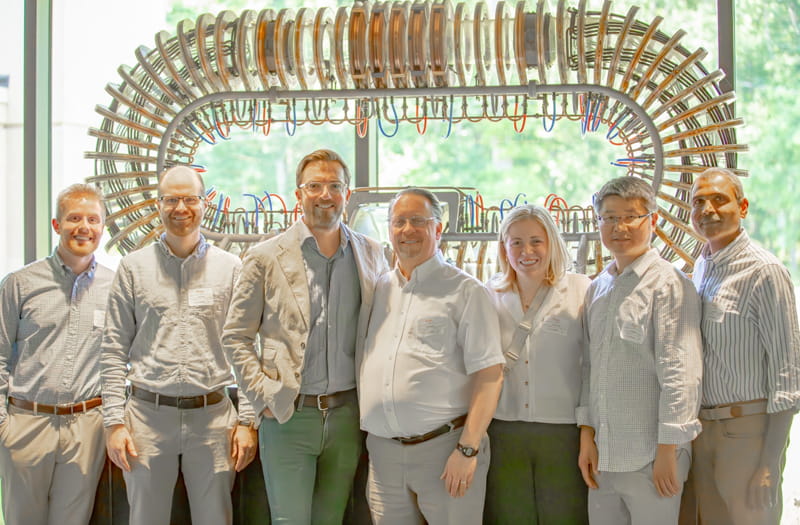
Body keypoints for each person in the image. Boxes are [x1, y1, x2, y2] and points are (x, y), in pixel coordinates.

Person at [221, 149, 387, 524]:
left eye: (334, 186)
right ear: (299, 194)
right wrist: (264, 397)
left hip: (347, 415)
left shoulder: (371, 254)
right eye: (314, 186)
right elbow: (235, 335)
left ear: (348, 194)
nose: (325, 194)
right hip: (289, 415)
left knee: (331, 519)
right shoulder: (265, 257)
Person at [101, 166, 257, 525]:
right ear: (158, 205)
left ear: (205, 204)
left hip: (214, 418)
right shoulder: (132, 268)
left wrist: (248, 421)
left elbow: (247, 347)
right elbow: (112, 349)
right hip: (147, 419)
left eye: (189, 199)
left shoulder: (230, 268)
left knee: (216, 519)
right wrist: (113, 423)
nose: (180, 207)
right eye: (171, 199)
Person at [359, 188, 505, 524]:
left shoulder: (466, 291)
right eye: (399, 222)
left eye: (418, 221)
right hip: (383, 456)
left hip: (445, 451)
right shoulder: (378, 289)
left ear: (438, 229)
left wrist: (467, 450)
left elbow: (490, 376)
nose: (407, 230)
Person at [577, 176, 702, 525]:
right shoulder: (598, 287)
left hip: (652, 457)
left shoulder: (669, 284)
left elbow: (681, 370)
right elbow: (590, 367)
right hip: (604, 455)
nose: (620, 227)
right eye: (610, 217)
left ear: (653, 220)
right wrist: (587, 436)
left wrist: (668, 451)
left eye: (631, 216)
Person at [685, 167, 800, 525]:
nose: (708, 209)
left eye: (719, 199)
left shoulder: (765, 272)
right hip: (702, 431)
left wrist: (769, 462)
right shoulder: (701, 267)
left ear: (743, 207)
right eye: (698, 201)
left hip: (748, 434)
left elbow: (788, 376)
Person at [0, 184, 113, 525]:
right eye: (74, 218)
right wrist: (4, 427)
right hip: (26, 425)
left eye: (93, 219)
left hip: (86, 428)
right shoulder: (19, 284)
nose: (84, 227)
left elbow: (124, 357)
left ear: (103, 227)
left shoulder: (117, 286)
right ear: (56, 224)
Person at [484, 204, 590, 524]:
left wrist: (588, 432)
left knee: (565, 516)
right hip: (503, 431)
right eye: (515, 242)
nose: (526, 251)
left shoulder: (580, 290)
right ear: (504, 247)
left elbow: (591, 367)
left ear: (552, 242)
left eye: (535, 241)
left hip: (563, 432)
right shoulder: (489, 294)